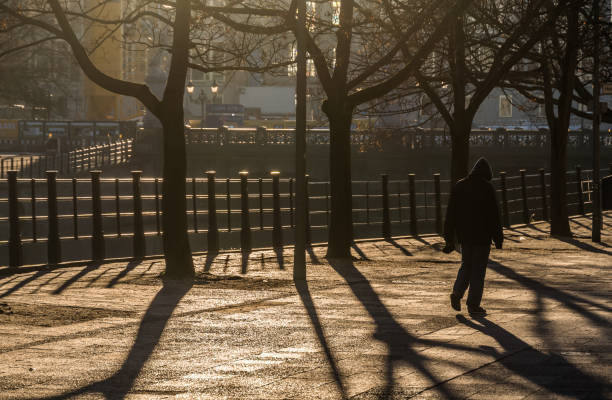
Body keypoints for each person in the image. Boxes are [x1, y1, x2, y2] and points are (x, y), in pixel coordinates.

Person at [443, 157, 503, 317]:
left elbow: (451, 213)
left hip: (465, 235)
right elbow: (494, 216)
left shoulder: (460, 185)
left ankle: (457, 292)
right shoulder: (487, 188)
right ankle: (473, 304)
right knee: (478, 271)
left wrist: (449, 236)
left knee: (466, 265)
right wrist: (498, 238)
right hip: (482, 236)